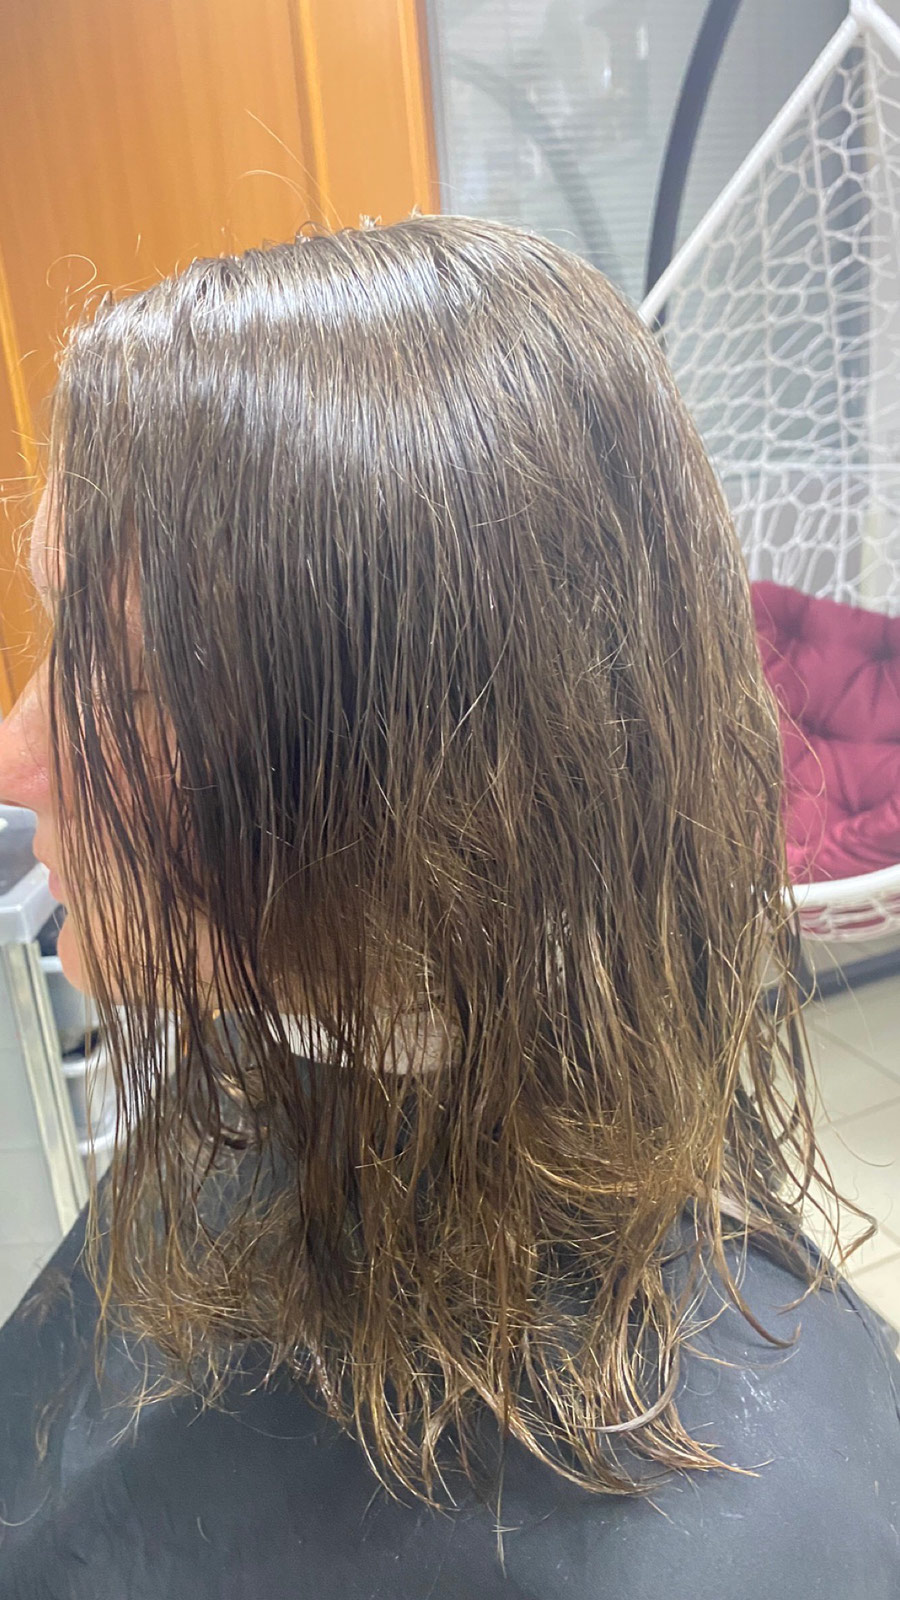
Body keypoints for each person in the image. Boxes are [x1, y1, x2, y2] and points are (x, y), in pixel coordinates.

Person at [0, 216, 896, 1598]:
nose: (20, 753)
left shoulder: (753, 1543)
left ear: (402, 781)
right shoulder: (272, 1092)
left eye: (109, 669)